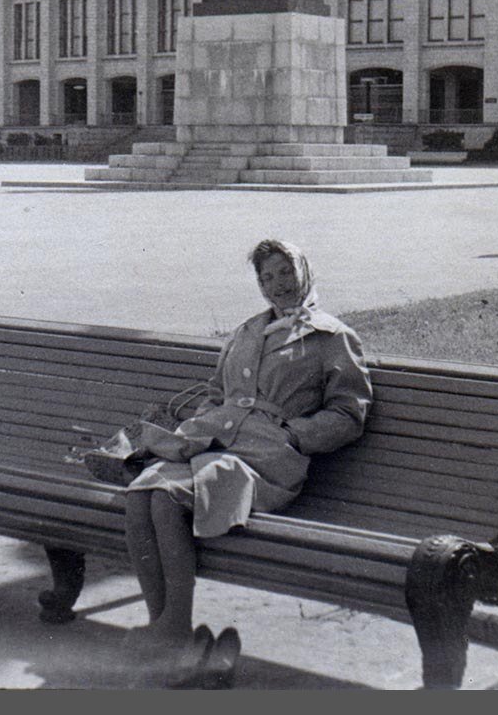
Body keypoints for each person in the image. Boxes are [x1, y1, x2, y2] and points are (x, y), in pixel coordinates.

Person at [121, 239, 372, 687]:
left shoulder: (331, 336)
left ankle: (175, 629)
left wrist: (296, 434)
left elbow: (349, 413)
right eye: (267, 277)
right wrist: (195, 432)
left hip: (269, 462)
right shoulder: (248, 330)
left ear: (304, 272)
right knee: (142, 491)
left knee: (165, 498)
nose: (278, 285)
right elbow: (217, 394)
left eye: (284, 272)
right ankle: (168, 628)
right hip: (215, 444)